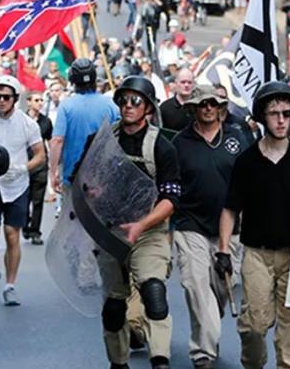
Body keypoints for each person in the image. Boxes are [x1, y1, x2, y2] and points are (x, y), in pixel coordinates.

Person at [83, 76, 180, 369]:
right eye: (123, 100)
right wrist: (92, 190)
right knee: (114, 307)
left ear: (148, 108)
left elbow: (171, 199)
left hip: (149, 232)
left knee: (154, 294)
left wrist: (142, 225)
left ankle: (160, 360)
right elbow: (83, 181)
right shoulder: (102, 141)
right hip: (111, 232)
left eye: (135, 100)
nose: (128, 106)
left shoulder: (162, 147)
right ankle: (119, 362)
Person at [218, 81, 290, 369]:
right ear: (262, 117)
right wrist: (223, 250)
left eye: (286, 113)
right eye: (274, 113)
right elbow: (230, 208)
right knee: (255, 326)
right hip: (256, 253)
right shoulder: (246, 161)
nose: (281, 120)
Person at [171, 85, 247, 368]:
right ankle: (203, 352)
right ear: (193, 108)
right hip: (191, 225)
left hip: (231, 229)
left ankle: (209, 328)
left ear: (221, 108)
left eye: (213, 104)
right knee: (195, 285)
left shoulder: (237, 139)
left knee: (222, 288)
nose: (207, 108)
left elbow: (251, 178)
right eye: (202, 104)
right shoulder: (180, 142)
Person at [0, 75, 45, 307]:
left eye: (6, 97)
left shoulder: (27, 124)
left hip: (16, 186)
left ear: (15, 98)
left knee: (12, 236)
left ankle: (10, 286)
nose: (1, 101)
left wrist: (23, 168)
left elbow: (40, 155)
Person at [48, 59, 119, 204]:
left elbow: (57, 140)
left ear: (73, 81)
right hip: (104, 176)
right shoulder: (111, 104)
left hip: (73, 176)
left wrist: (53, 171)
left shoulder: (66, 106)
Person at [24, 91, 52, 246]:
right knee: (23, 200)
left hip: (40, 165)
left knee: (38, 201)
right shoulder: (21, 120)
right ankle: (25, 224)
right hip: (23, 165)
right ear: (28, 102)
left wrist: (53, 165)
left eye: (41, 100)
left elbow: (51, 141)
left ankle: (35, 231)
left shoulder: (46, 122)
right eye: (36, 100)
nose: (40, 103)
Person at [160, 67, 195, 132]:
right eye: (183, 82)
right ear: (176, 83)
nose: (186, 85)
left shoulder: (199, 107)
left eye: (189, 82)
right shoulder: (165, 108)